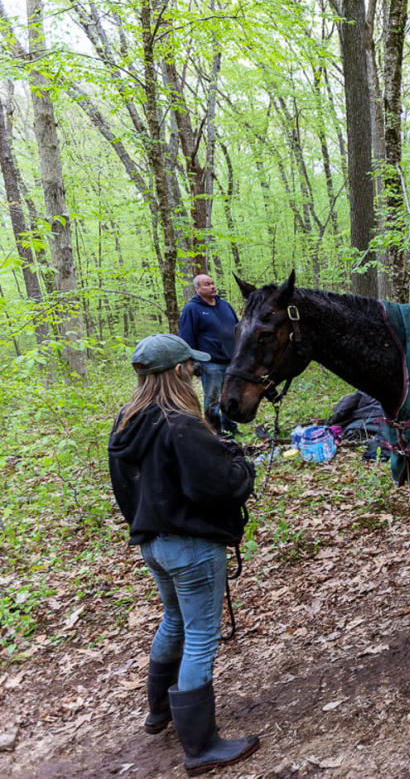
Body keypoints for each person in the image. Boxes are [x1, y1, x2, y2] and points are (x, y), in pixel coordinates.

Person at [107, 334, 259, 773]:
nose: (194, 372)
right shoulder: (180, 422)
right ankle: (201, 747)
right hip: (189, 546)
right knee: (199, 637)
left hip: (153, 543)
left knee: (173, 620)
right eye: (189, 366)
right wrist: (241, 468)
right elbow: (216, 486)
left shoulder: (127, 422)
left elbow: (128, 489)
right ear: (176, 372)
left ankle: (160, 712)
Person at [178, 273, 240, 434]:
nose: (212, 286)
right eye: (207, 284)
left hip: (231, 360)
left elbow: (238, 328)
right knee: (213, 398)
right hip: (210, 362)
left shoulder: (224, 305)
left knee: (231, 395)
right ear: (197, 288)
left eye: (212, 283)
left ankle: (230, 426)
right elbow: (186, 337)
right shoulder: (192, 309)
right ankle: (215, 429)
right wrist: (193, 361)